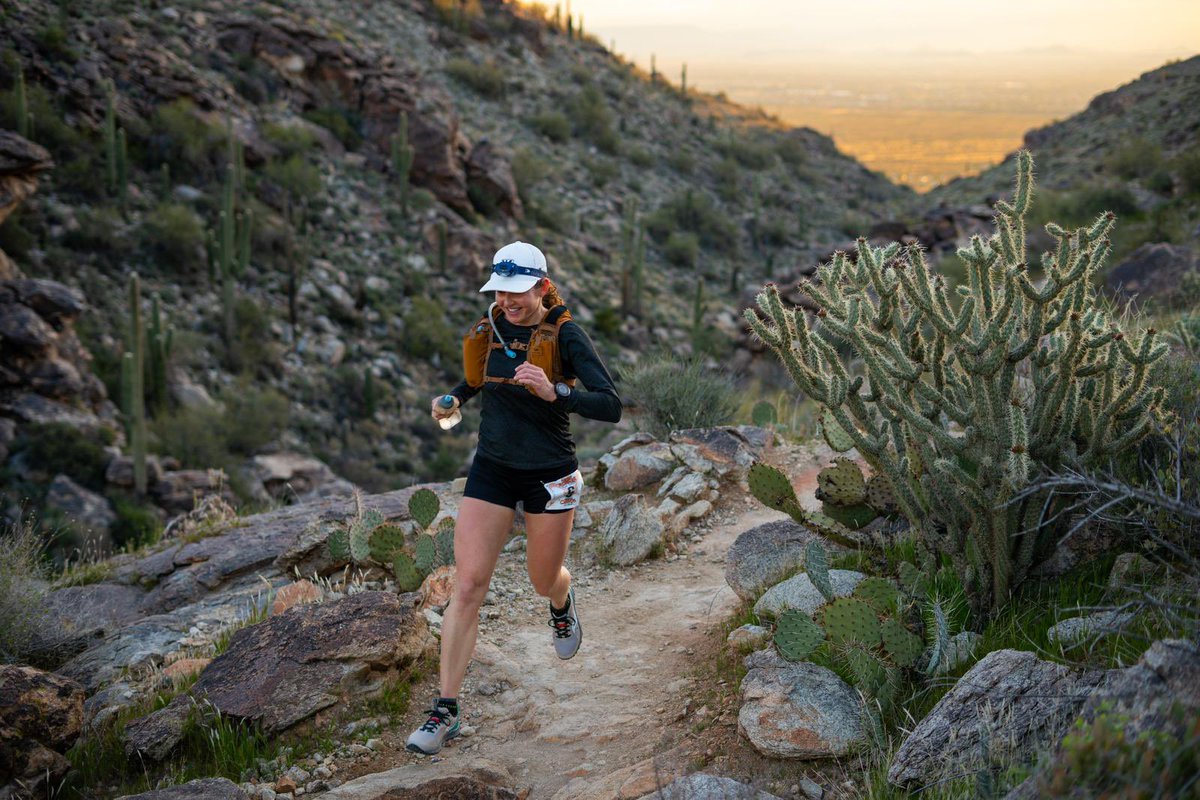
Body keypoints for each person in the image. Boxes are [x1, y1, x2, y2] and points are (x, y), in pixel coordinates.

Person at [406, 241, 622, 755]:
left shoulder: (566, 336)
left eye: (519, 291)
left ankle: (561, 600)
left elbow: (611, 405)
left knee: (541, 578)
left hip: (549, 474)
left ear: (543, 287)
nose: (508, 300)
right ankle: (446, 710)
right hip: (493, 471)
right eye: (500, 290)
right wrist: (455, 397)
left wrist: (557, 393)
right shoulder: (492, 327)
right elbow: (481, 377)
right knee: (468, 585)